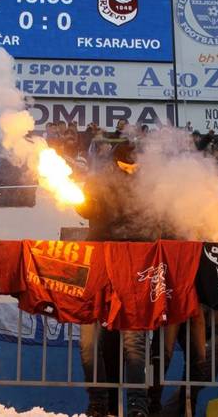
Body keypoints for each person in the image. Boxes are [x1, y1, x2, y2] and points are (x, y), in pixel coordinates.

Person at [75, 144, 149, 417]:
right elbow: (86, 210)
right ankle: (98, 403)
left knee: (133, 342)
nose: (134, 169)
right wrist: (82, 200)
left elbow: (156, 225)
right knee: (89, 342)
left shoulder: (152, 187)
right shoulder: (100, 181)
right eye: (130, 165)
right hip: (99, 267)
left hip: (133, 269)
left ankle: (137, 405)